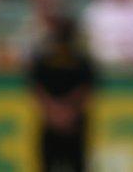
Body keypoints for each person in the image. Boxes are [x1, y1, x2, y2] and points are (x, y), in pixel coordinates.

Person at [28, 16, 98, 172]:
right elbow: (36, 85)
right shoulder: (46, 58)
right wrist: (63, 111)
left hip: (68, 122)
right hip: (64, 121)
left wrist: (57, 111)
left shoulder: (80, 58)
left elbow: (87, 88)